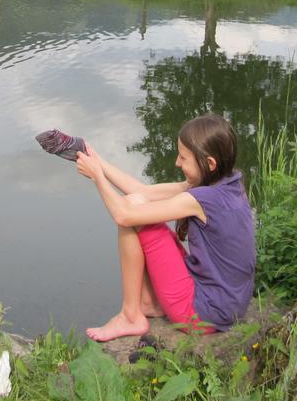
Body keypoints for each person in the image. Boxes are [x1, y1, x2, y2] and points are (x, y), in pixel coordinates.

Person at [75, 114, 255, 342]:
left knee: (132, 209)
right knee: (138, 202)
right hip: (229, 304)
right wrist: (97, 160)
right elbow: (144, 191)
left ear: (209, 163)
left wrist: (97, 178)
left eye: (183, 157)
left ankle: (131, 315)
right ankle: (149, 302)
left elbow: (124, 215)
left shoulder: (202, 199)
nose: (177, 163)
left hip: (202, 315)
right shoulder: (229, 184)